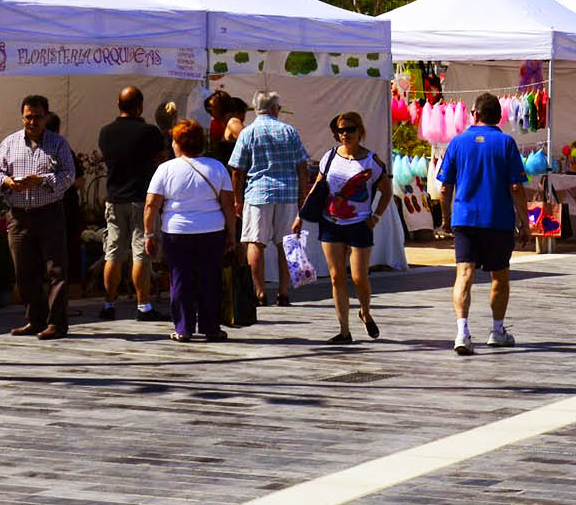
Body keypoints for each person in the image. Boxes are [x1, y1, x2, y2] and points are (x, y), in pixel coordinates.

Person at [437, 92, 530, 356]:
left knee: (463, 275)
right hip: (498, 219)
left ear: (475, 114)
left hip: (465, 219)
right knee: (499, 276)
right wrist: (524, 223)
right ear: (497, 116)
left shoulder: (457, 142)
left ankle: (462, 332)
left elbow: (445, 188)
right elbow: (516, 186)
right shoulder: (506, 143)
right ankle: (497, 331)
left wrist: (445, 220)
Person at [0, 95, 77, 340]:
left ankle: (57, 323)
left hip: (49, 213)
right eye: (28, 117)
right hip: (19, 216)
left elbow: (69, 175)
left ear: (46, 117)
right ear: (22, 117)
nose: (32, 122)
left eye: (37, 117)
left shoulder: (58, 144)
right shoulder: (10, 143)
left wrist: (43, 180)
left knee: (56, 270)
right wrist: (6, 181)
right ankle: (35, 319)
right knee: (24, 271)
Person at [143, 122, 236, 343]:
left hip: (176, 232)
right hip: (212, 230)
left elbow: (151, 205)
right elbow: (228, 205)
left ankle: (183, 328)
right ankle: (211, 327)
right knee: (209, 279)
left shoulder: (165, 169)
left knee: (180, 279)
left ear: (177, 143)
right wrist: (231, 234)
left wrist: (149, 234)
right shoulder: (217, 167)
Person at [309, 111, 391, 344]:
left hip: (359, 224)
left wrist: (375, 217)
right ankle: (344, 330)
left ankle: (364, 312)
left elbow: (386, 192)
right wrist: (302, 213)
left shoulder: (371, 161)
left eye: (350, 129)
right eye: (341, 130)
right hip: (330, 221)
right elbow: (318, 185)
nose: (345, 134)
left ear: (360, 131)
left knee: (358, 277)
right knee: (336, 277)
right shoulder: (330, 156)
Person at [229, 91, 311, 309]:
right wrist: (303, 194)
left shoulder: (247, 133)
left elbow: (237, 170)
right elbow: (302, 165)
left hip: (258, 194)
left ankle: (260, 292)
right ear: (275, 108)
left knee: (256, 244)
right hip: (286, 194)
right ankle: (283, 293)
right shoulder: (288, 131)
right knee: (286, 245)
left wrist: (237, 199)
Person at [98, 86, 168, 321]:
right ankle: (143, 306)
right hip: (142, 197)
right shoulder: (149, 132)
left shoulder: (105, 132)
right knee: (141, 254)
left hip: (115, 197)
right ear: (140, 106)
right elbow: (162, 157)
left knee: (113, 253)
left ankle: (108, 304)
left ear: (118, 105)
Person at [43, 113, 88, 303]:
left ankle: (55, 293)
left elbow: (78, 180)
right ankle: (66, 292)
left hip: (55, 209)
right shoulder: (63, 149)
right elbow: (79, 181)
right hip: (64, 209)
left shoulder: (53, 149)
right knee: (66, 252)